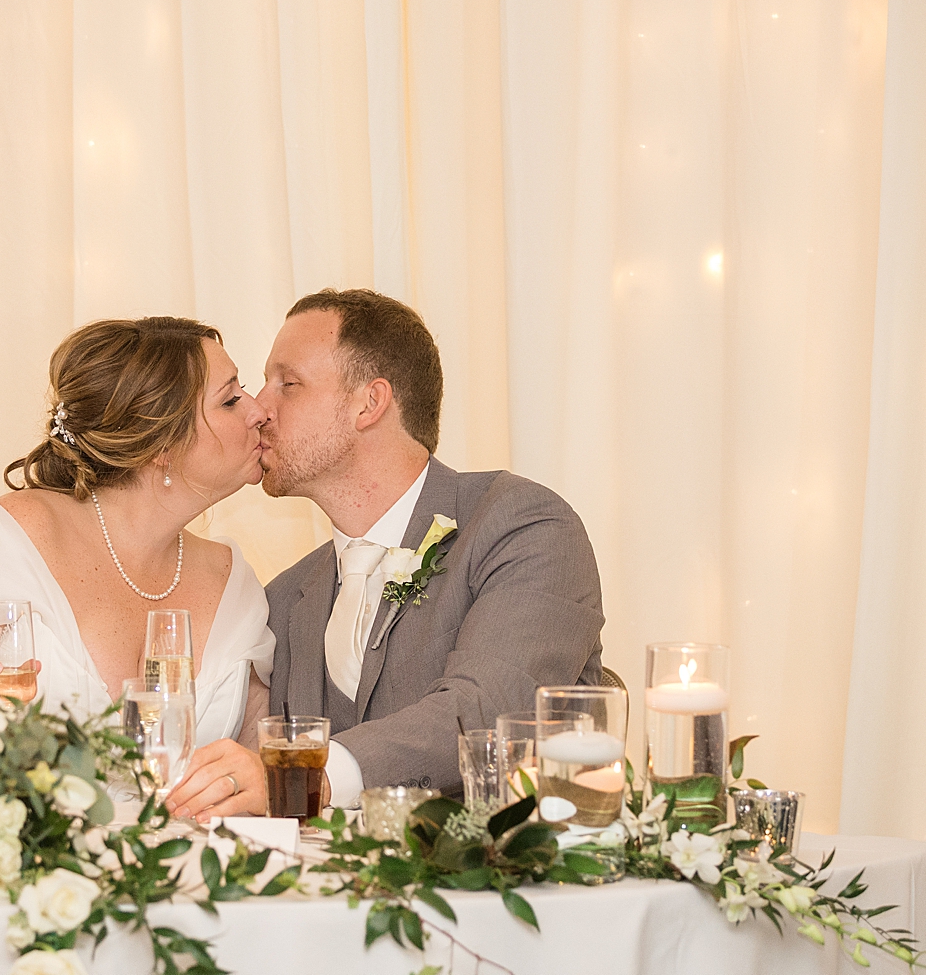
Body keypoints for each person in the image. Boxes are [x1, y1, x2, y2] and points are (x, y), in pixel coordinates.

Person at [167, 289, 604, 821]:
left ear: (369, 403)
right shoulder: (283, 599)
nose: (259, 409)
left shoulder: (523, 527)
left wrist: (305, 779)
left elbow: (487, 710)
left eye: (288, 384)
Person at [0, 317, 275, 745]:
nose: (259, 410)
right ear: (161, 443)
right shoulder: (12, 540)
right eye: (230, 399)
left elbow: (260, 754)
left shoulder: (230, 577)